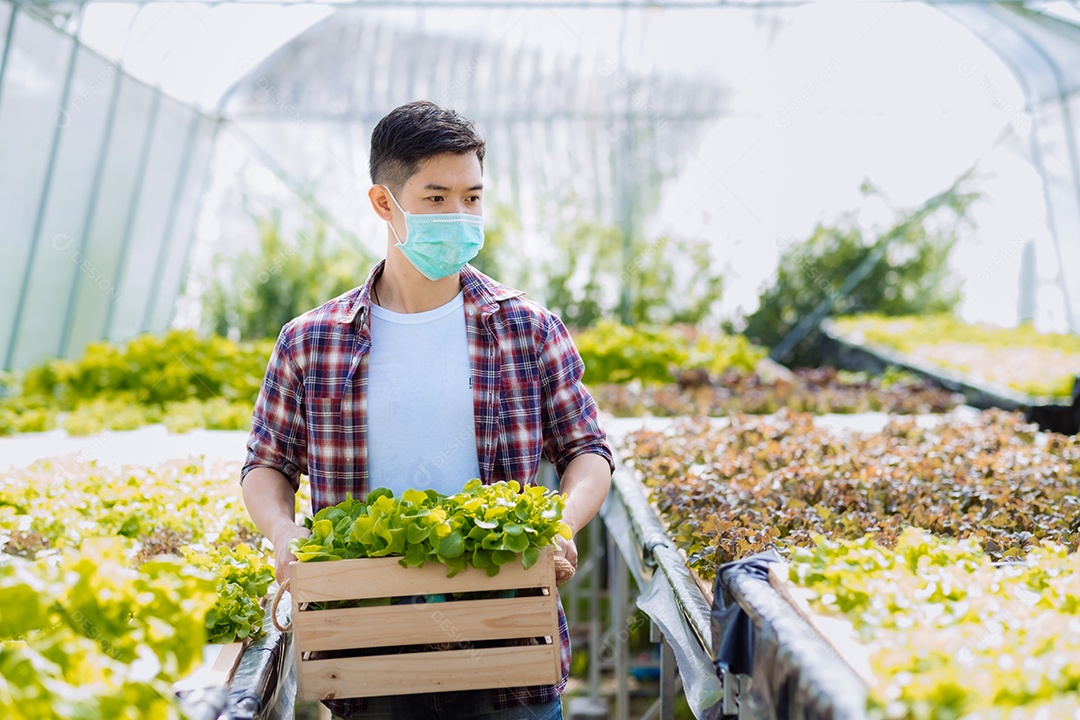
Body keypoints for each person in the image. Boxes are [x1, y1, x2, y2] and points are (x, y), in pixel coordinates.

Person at [240, 100, 615, 720]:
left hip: (507, 648)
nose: (459, 216)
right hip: (367, 654)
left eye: (472, 198)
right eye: (436, 198)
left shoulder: (525, 327)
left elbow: (586, 450)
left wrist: (562, 524)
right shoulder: (314, 339)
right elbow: (266, 464)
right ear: (384, 203)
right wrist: (284, 536)